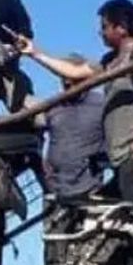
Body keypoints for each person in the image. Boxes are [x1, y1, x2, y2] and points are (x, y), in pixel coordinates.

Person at [15, 0, 133, 203]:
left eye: (105, 27)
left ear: (121, 28)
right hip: (119, 157)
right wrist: (35, 53)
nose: (101, 33)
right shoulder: (110, 62)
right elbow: (74, 72)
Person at [36, 55, 107, 199]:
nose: (68, 82)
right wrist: (43, 163)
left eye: (73, 78)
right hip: (55, 189)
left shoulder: (102, 104)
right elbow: (37, 133)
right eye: (64, 78)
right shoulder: (53, 106)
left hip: (91, 188)